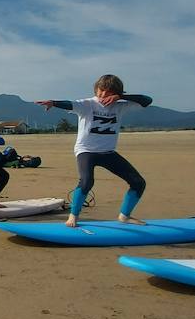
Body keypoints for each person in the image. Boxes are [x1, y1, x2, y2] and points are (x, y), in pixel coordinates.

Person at [36, 75, 153, 228]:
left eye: (109, 92)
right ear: (96, 89)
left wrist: (120, 97)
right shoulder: (87, 104)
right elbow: (70, 104)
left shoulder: (121, 105)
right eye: (101, 90)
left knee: (138, 183)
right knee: (86, 181)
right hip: (86, 151)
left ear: (116, 94)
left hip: (108, 152)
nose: (103, 95)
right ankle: (73, 216)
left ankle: (124, 216)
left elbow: (147, 100)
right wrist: (54, 103)